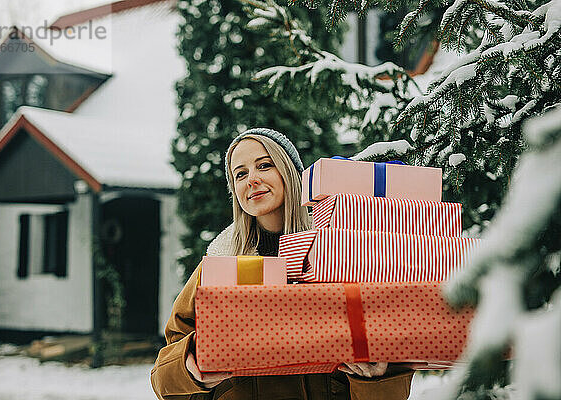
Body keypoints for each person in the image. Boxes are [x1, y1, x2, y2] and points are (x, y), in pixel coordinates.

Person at [151, 128, 414, 400]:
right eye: (240, 174)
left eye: (264, 165)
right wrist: (190, 368)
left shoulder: (339, 251)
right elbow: (164, 376)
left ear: (289, 172)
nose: (252, 179)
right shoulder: (220, 262)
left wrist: (377, 377)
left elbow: (390, 353)